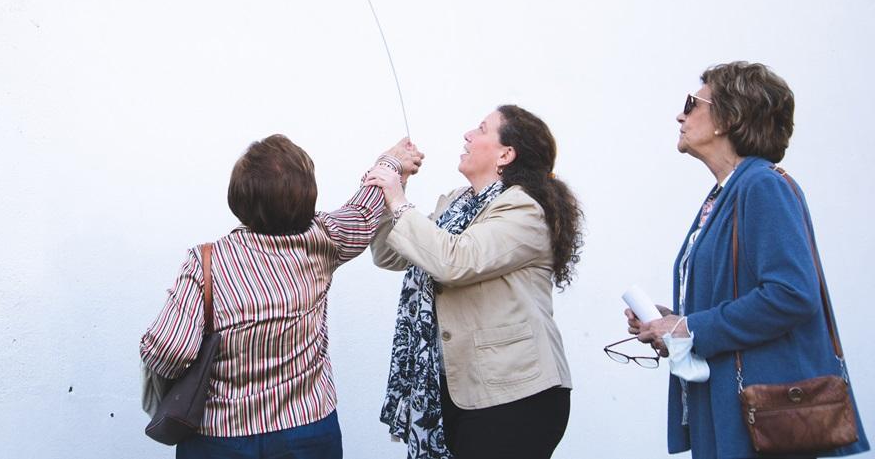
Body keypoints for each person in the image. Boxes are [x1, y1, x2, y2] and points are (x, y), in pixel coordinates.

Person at [627, 61, 868, 458]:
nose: (680, 114)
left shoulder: (761, 186)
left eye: (693, 103)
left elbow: (791, 295)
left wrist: (690, 327)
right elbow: (733, 298)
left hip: (764, 420)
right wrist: (670, 323)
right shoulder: (725, 194)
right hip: (732, 411)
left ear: (729, 118)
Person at [140, 134, 424, 459]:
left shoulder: (206, 262)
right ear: (307, 195)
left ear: (239, 197)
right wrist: (391, 163)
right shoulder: (324, 240)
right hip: (308, 429)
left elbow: (168, 351)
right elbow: (364, 210)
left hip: (220, 437)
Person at [365, 105, 583, 459]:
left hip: (515, 397)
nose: (468, 134)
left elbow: (454, 261)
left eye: (481, 129)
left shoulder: (525, 209)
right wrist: (395, 186)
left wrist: (398, 199)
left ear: (505, 154)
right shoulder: (455, 204)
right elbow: (390, 255)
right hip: (458, 390)